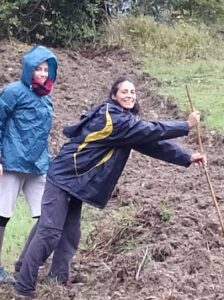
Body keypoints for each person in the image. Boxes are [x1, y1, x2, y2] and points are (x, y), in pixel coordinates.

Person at [14, 76, 205, 297]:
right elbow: (150, 129)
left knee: (70, 233)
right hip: (64, 175)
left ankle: (56, 277)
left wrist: (187, 156)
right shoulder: (112, 117)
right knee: (49, 231)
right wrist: (185, 125)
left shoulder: (127, 124)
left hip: (78, 181)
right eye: (124, 92)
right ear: (114, 95)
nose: (129, 96)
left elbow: (153, 144)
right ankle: (24, 286)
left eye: (132, 92)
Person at [0, 45, 58, 284]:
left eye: (46, 69)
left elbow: (43, 134)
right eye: (38, 69)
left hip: (38, 166)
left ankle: (25, 263)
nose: (42, 73)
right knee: (3, 214)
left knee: (45, 218)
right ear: (29, 69)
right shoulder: (13, 92)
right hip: (12, 163)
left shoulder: (47, 97)